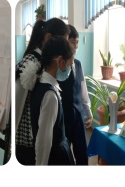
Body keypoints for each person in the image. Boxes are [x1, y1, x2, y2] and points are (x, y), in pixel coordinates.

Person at [15, 18, 69, 165]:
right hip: (27, 138)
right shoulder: (32, 61)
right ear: (48, 38)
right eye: (62, 41)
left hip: (37, 132)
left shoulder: (45, 62)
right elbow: (18, 102)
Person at [30, 36, 76, 165]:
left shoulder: (40, 82)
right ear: (60, 61)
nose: (70, 69)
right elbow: (44, 140)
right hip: (56, 158)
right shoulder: (50, 95)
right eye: (70, 64)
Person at [57, 25, 93, 165]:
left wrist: (88, 112)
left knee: (82, 152)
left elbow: (83, 89)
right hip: (63, 116)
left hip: (78, 115)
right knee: (64, 154)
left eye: (77, 42)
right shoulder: (59, 66)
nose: (76, 46)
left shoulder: (78, 64)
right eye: (73, 42)